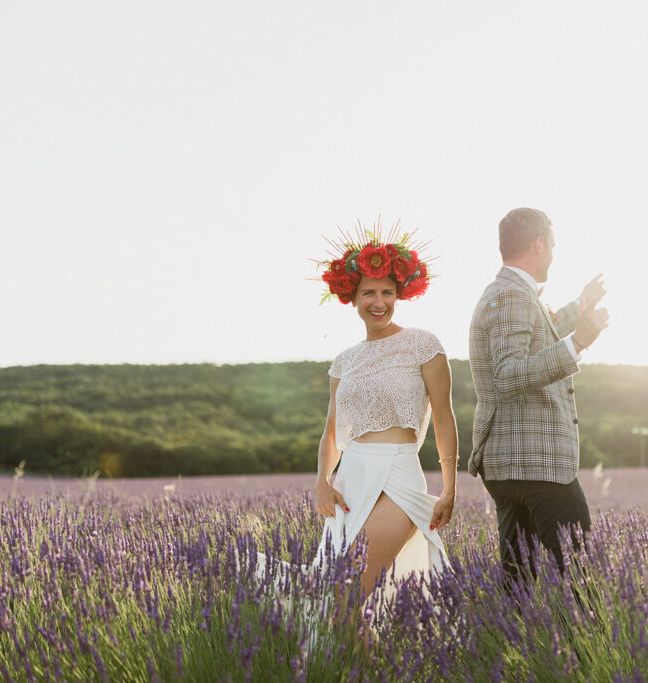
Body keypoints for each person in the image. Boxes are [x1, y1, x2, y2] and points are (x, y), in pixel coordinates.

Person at [250, 225, 457, 626]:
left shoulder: (423, 344)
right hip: (351, 481)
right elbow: (331, 432)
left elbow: (444, 418)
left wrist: (450, 487)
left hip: (399, 476)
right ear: (353, 298)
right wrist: (322, 480)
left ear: (399, 295)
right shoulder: (344, 361)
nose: (379, 302)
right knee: (338, 606)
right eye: (369, 293)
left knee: (345, 597)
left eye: (387, 293)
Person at [468, 207, 608, 588]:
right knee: (580, 582)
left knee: (518, 587)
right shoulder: (512, 295)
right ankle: (582, 632)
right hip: (536, 464)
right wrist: (578, 342)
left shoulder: (508, 293)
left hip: (509, 464)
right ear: (539, 245)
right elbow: (509, 373)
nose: (553, 255)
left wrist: (579, 307)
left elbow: (536, 333)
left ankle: (516, 630)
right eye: (553, 247)